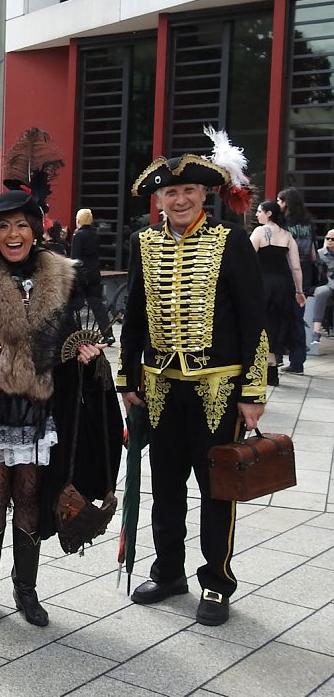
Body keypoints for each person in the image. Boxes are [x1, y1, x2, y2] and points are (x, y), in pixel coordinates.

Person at [0, 185, 121, 628]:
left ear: (34, 230)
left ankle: (26, 590)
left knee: (31, 497)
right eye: (3, 227)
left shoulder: (60, 275)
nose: (13, 234)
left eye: (21, 225)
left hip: (38, 406)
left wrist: (85, 353)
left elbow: (71, 336)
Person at [118, 137, 268, 627]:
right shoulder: (145, 243)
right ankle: (168, 570)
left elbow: (253, 321)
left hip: (218, 388)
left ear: (205, 195)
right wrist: (127, 378)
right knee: (166, 485)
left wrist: (253, 393)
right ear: (157, 200)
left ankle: (217, 581)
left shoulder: (231, 242)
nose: (179, 200)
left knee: (216, 486)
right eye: (170, 193)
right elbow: (134, 317)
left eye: (187, 191)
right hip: (161, 387)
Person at [249, 201, 306, 386]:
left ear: (269, 213)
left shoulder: (259, 232)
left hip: (263, 284)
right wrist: (299, 290)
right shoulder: (287, 235)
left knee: (260, 324)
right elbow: (296, 267)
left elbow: (247, 258)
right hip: (283, 285)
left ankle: (266, 368)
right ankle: (272, 369)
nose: (257, 215)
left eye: (259, 211)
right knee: (276, 324)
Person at [277, 187, 316, 374]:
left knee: (281, 317)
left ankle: (277, 356)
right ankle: (298, 361)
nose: (278, 204)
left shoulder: (284, 224)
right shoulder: (309, 224)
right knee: (298, 320)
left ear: (286, 203)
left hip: (286, 274)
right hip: (305, 277)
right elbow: (314, 254)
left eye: (279, 201)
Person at [71, 209, 115, 344]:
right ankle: (108, 334)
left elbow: (75, 258)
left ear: (78, 220)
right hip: (94, 274)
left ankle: (71, 333)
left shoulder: (79, 235)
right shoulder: (95, 235)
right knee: (97, 306)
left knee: (71, 305)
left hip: (82, 276)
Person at [311, 229, 334, 344]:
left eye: (333, 239)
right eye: (327, 238)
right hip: (326, 284)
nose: (330, 241)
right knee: (320, 292)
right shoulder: (320, 254)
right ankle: (316, 331)